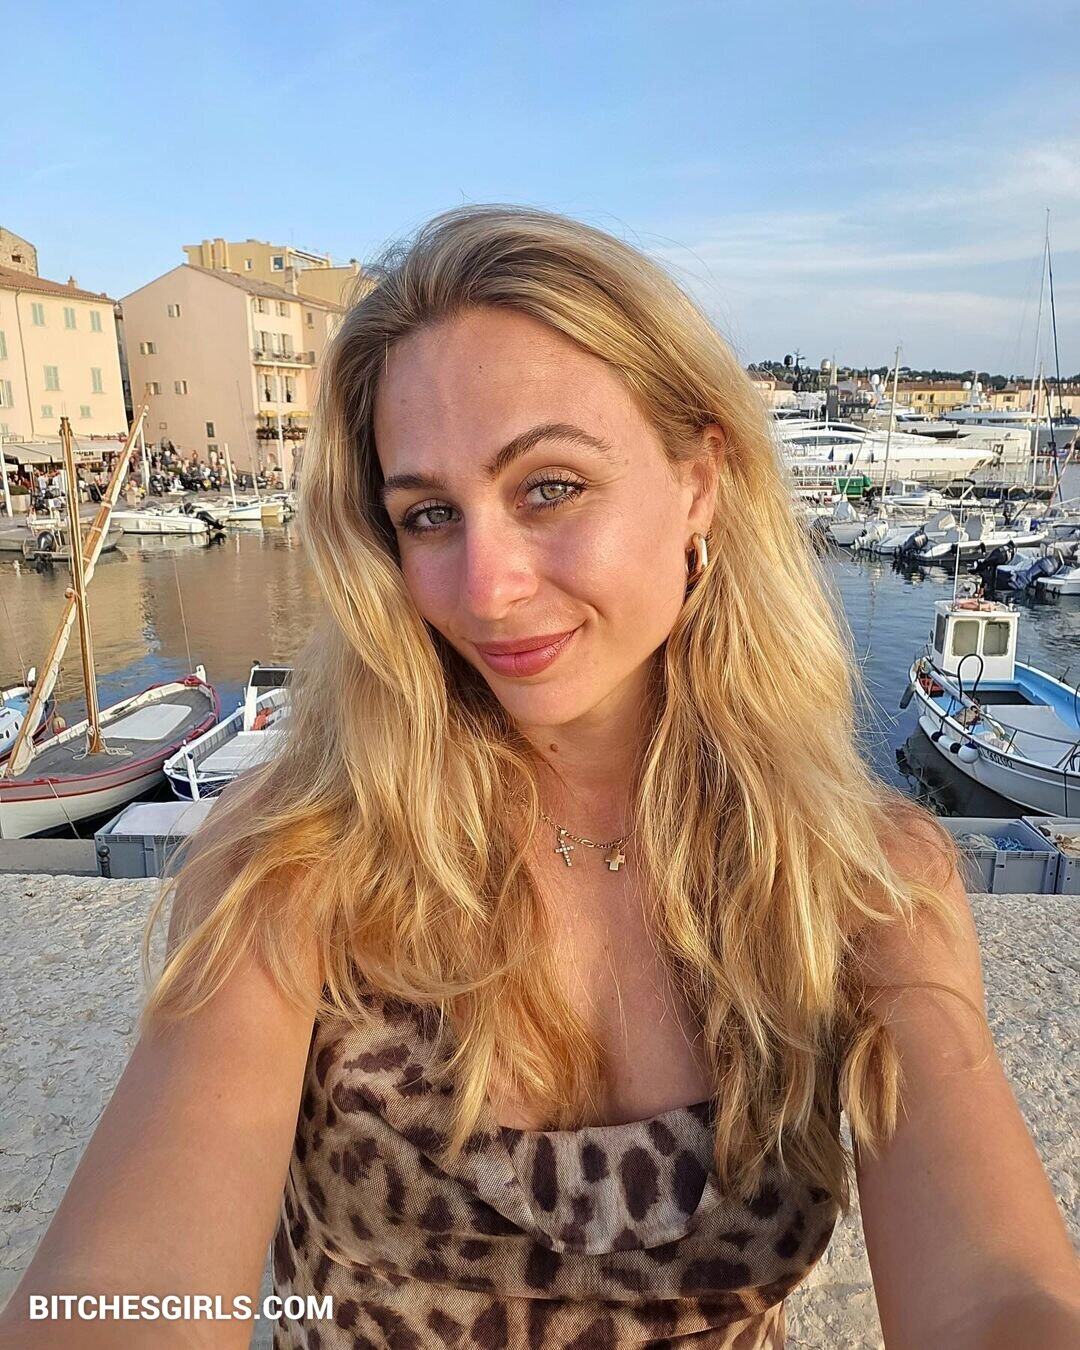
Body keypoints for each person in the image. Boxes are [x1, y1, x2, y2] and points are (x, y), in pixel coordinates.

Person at [1, 206, 1077, 1349]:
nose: (487, 586)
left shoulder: (863, 881)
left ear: (699, 481)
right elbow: (131, 1292)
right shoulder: (300, 861)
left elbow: (996, 1291)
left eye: (550, 487)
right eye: (428, 515)